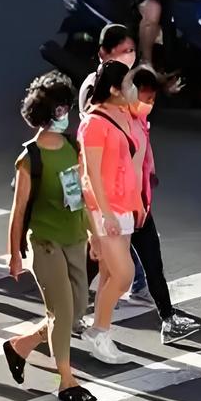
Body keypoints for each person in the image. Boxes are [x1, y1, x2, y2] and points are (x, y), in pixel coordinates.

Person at [4, 72, 97, 401]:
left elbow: (82, 194)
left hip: (75, 238)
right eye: (60, 109)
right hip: (45, 242)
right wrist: (14, 253)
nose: (66, 114)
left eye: (66, 107)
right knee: (60, 311)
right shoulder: (30, 157)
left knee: (75, 311)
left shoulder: (73, 146)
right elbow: (18, 210)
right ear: (45, 114)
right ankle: (66, 379)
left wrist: (94, 234)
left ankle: (21, 345)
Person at [87, 65, 198, 344]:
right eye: (142, 97)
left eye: (152, 100)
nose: (147, 104)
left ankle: (166, 318)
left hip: (136, 208)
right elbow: (103, 171)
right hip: (121, 209)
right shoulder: (115, 122)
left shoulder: (135, 120)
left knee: (146, 264)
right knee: (105, 268)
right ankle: (79, 319)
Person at [78, 61, 144, 364]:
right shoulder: (93, 123)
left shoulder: (123, 114)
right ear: (115, 89)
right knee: (124, 274)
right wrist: (104, 213)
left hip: (124, 204)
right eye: (128, 85)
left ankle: (100, 331)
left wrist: (138, 200)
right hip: (107, 208)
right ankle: (98, 332)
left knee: (109, 274)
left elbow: (130, 160)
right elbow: (90, 173)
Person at [78, 24, 148, 305]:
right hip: (105, 195)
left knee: (114, 263)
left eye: (131, 51)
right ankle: (79, 309)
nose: (128, 57)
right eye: (122, 52)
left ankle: (85, 309)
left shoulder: (127, 90)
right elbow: (91, 167)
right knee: (111, 262)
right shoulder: (95, 97)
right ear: (103, 54)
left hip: (124, 189)